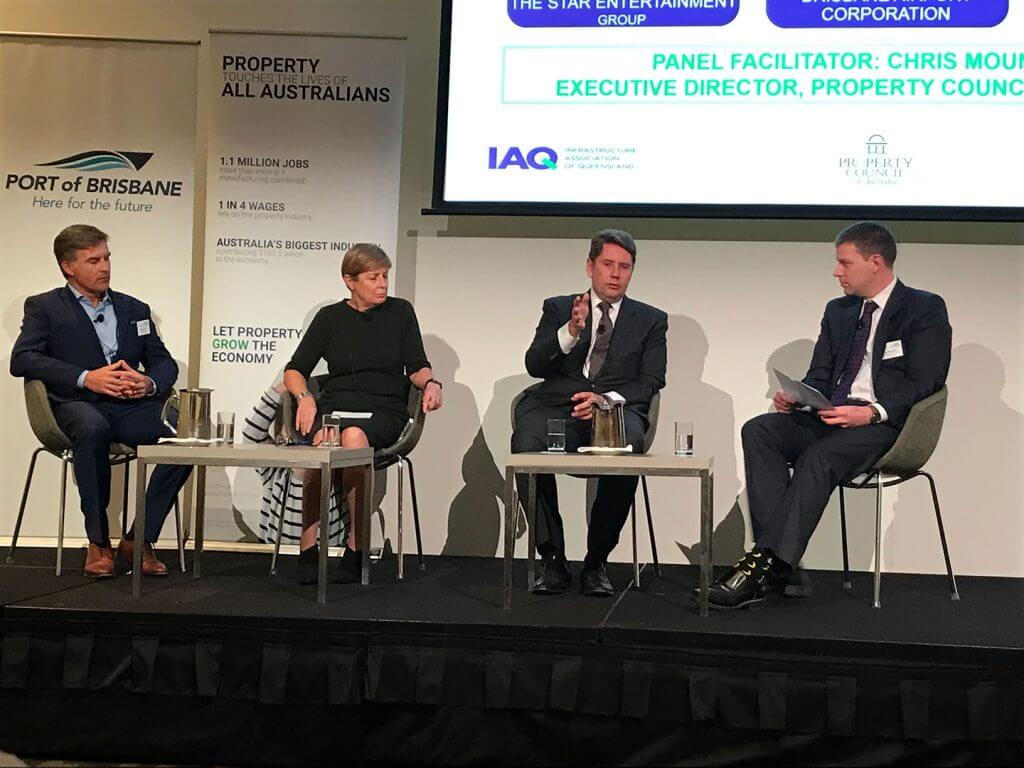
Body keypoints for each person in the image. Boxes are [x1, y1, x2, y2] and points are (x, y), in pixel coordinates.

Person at [707, 221, 952, 610]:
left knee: (819, 456)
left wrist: (871, 413)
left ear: (875, 262)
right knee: (761, 430)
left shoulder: (923, 308)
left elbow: (927, 381)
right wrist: (800, 396)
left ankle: (764, 565)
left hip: (886, 427)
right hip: (834, 418)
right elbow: (820, 374)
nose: (837, 272)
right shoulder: (838, 311)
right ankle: (780, 565)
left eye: (845, 263)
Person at [10, 224, 191, 578]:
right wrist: (85, 377)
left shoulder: (134, 309)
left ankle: (138, 539)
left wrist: (149, 383)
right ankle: (98, 542)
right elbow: (23, 359)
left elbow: (163, 362)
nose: (105, 267)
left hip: (127, 407)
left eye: (107, 258)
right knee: (92, 429)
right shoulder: (45, 307)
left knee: (185, 435)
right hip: (75, 404)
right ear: (68, 266)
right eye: (93, 261)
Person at [511, 229, 667, 597]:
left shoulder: (651, 319)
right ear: (590, 266)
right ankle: (553, 558)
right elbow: (535, 365)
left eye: (624, 267)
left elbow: (651, 380)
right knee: (525, 442)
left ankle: (597, 561)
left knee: (628, 446)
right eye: (608, 264)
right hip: (559, 408)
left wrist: (605, 399)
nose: (615, 274)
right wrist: (569, 331)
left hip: (613, 412)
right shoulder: (559, 307)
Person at [283, 243, 442, 584]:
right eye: (373, 277)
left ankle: (356, 548)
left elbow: (416, 366)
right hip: (336, 406)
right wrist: (305, 398)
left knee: (352, 437)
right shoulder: (330, 318)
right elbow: (295, 370)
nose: (382, 284)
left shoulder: (401, 312)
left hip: (384, 409)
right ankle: (308, 548)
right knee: (324, 440)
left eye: (385, 276)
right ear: (350, 281)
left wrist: (431, 383)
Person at [241, 380, 346, 548]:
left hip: (326, 557)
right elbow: (251, 436)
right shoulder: (277, 470)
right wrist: (289, 383)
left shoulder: (336, 474)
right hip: (276, 555)